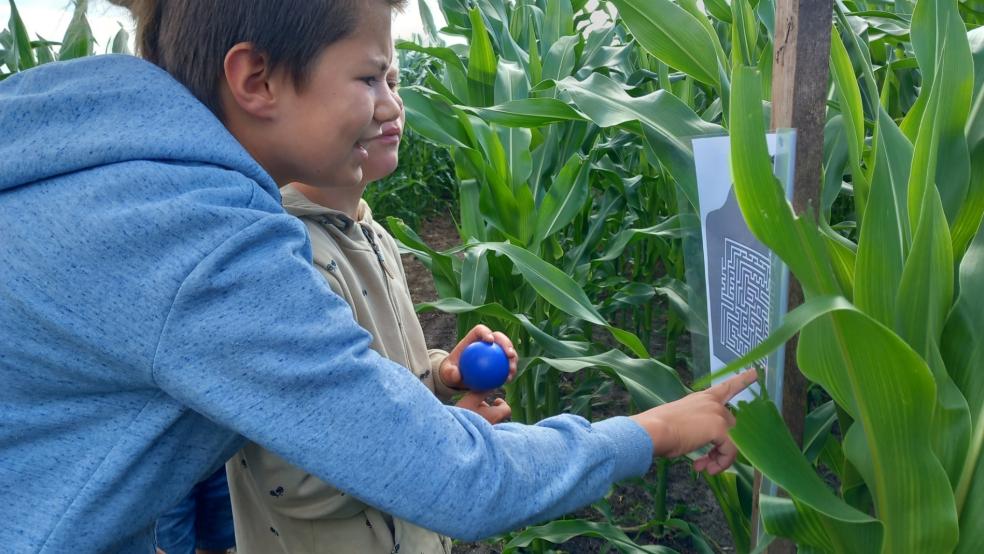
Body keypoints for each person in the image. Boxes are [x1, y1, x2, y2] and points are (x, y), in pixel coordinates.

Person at [0, 0, 756, 551]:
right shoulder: (192, 239)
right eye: (369, 77)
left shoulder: (100, 166)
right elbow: (453, 480)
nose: (391, 104)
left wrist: (431, 376)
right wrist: (650, 429)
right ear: (255, 77)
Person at [226, 60, 515, 554]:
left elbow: (387, 387)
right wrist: (448, 439)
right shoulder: (282, 262)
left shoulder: (373, 235)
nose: (394, 105)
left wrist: (442, 376)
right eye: (366, 79)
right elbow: (300, 481)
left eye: (394, 82)